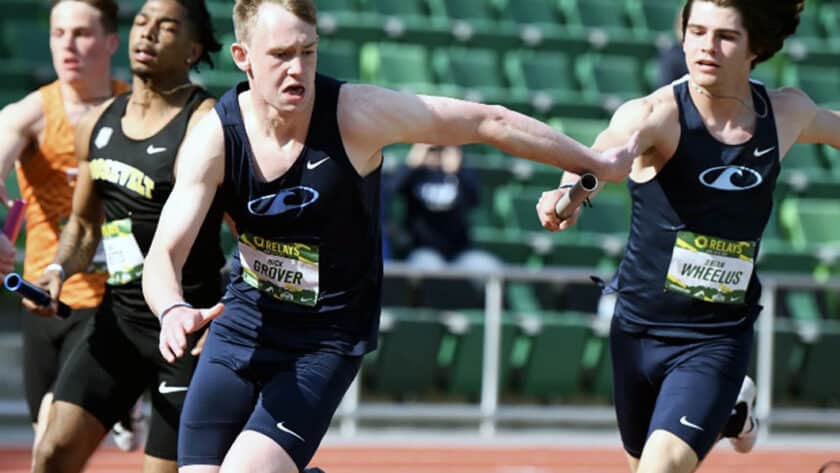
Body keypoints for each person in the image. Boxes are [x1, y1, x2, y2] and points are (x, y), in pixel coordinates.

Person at [140, 1, 639, 472]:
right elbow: (165, 252)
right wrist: (172, 309)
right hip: (241, 330)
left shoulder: (354, 115)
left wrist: (590, 162)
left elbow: (488, 121)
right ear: (243, 58)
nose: (297, 69)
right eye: (280, 56)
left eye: (307, 52)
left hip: (323, 341)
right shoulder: (216, 136)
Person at [535, 1, 832, 472]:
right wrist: (567, 193)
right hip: (637, 329)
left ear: (756, 45)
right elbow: (599, 156)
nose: (705, 47)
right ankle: (730, 411)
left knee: (661, 469)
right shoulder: (655, 115)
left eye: (725, 36)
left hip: (716, 337)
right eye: (696, 31)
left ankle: (723, 401)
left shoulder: (786, 113)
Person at [28, 1, 224, 472]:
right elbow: (85, 224)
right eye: (141, 22)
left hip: (183, 330)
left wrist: (231, 306)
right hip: (118, 321)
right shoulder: (97, 122)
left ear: (193, 49)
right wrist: (59, 269)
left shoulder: (205, 123)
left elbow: (246, 229)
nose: (148, 33)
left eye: (166, 27)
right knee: (51, 452)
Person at [0, 0, 139, 452]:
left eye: (81, 33)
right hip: (45, 296)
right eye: (58, 33)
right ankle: (125, 404)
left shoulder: (137, 113)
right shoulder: (29, 114)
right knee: (48, 445)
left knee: (51, 439)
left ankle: (128, 395)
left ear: (111, 42)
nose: (68, 45)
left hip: (114, 300)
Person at [387, 143, 500, 271]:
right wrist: (412, 163)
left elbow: (475, 200)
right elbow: (391, 191)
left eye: (442, 149)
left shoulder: (460, 174)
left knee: (489, 267)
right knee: (429, 267)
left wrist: (458, 171)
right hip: (422, 249)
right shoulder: (416, 174)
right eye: (432, 150)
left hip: (460, 250)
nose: (437, 154)